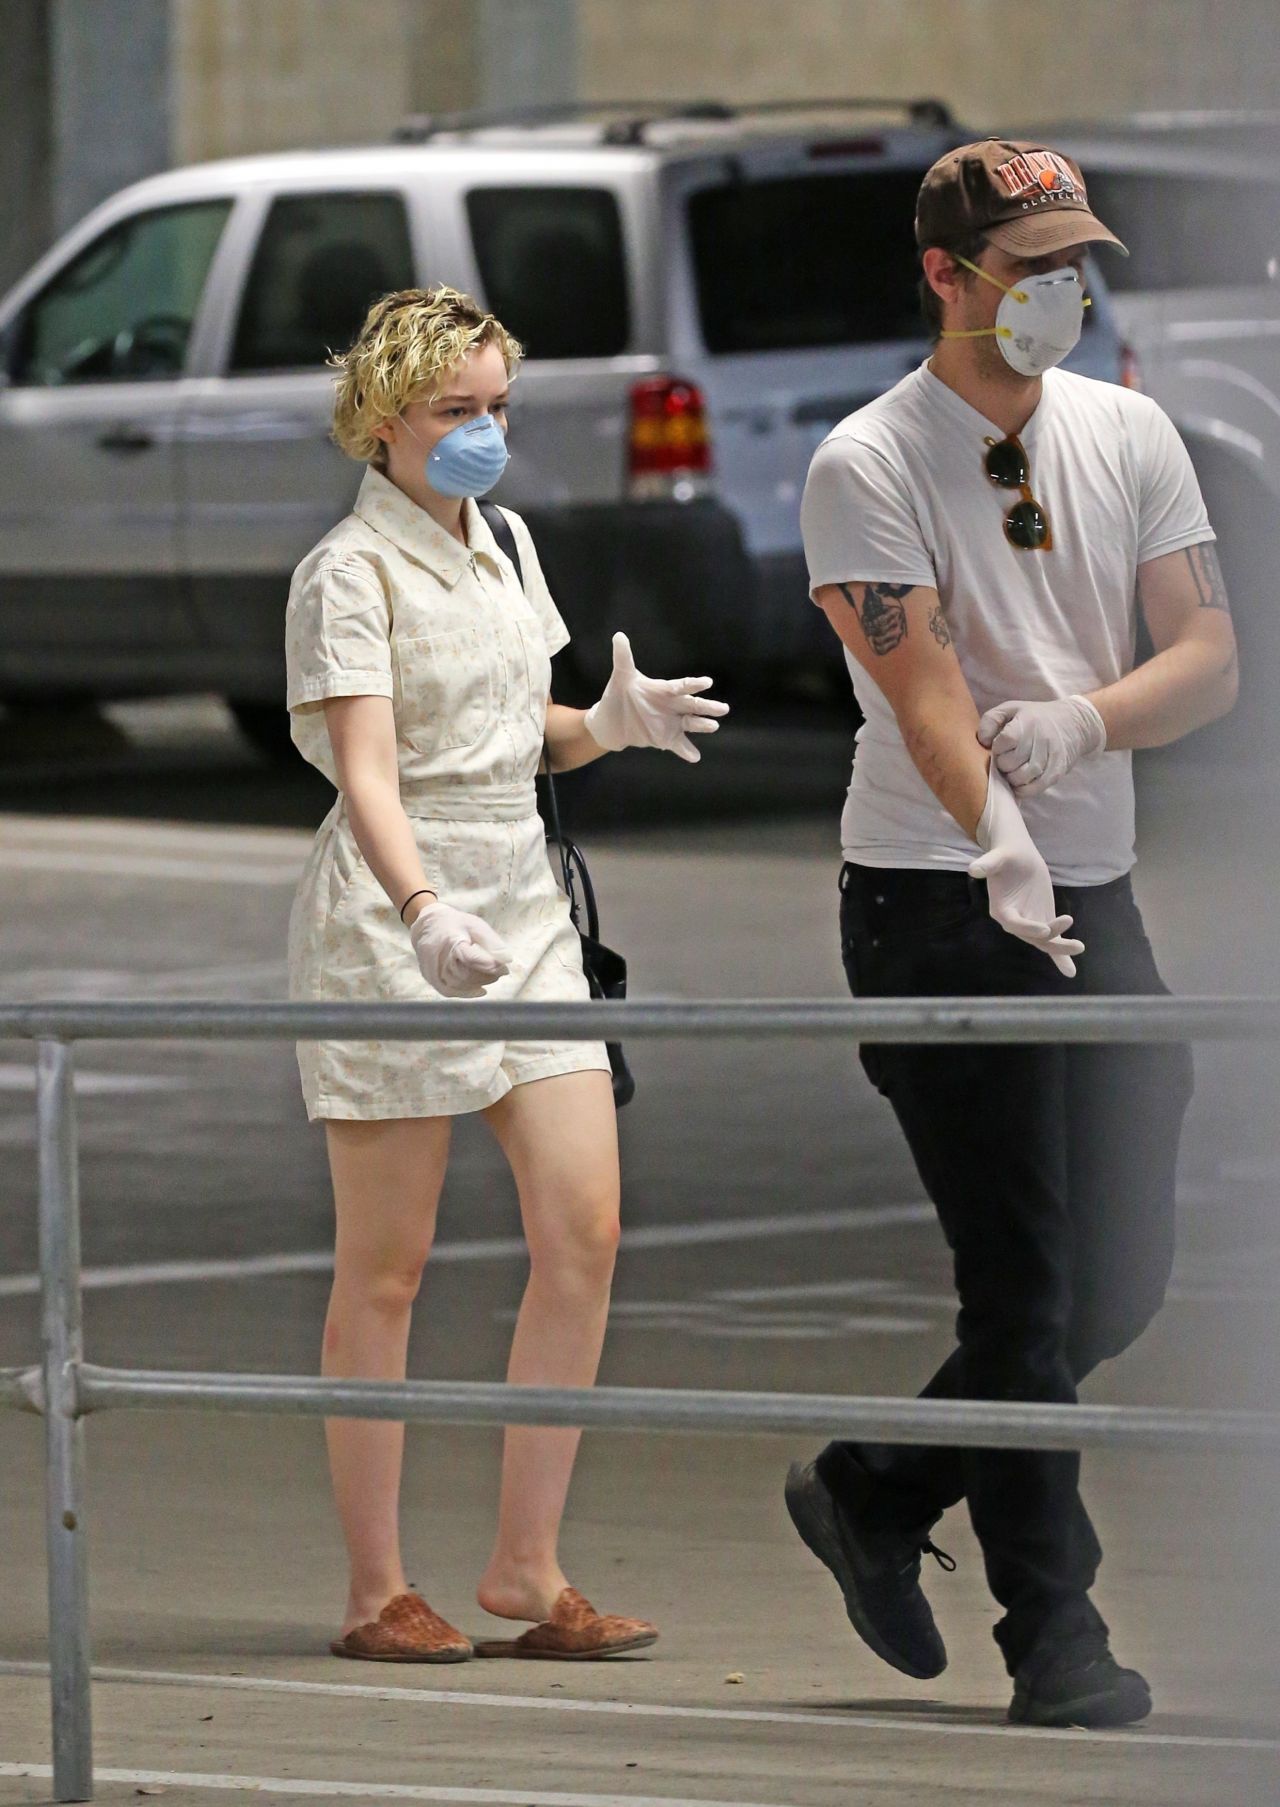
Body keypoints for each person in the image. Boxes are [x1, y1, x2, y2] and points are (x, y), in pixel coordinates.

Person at [785, 140, 1236, 1727]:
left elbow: (1211, 656)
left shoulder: (1129, 430)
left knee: (1125, 1275)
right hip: (932, 901)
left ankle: (882, 1484)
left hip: (1092, 896)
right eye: (1026, 267)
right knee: (1028, 1289)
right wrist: (996, 838)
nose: (1061, 289)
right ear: (944, 276)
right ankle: (1057, 1642)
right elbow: (920, 704)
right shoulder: (869, 461)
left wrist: (1086, 724)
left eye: (1073, 262)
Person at [285, 285, 727, 1663]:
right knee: (388, 1266)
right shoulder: (345, 575)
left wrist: (602, 723)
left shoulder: (506, 543)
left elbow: (511, 728)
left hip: (522, 904)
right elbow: (370, 765)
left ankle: (527, 1568)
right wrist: (419, 906)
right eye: (454, 411)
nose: (483, 434)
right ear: (382, 419)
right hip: (391, 914)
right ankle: (375, 1589)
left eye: (496, 409)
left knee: (584, 1226)